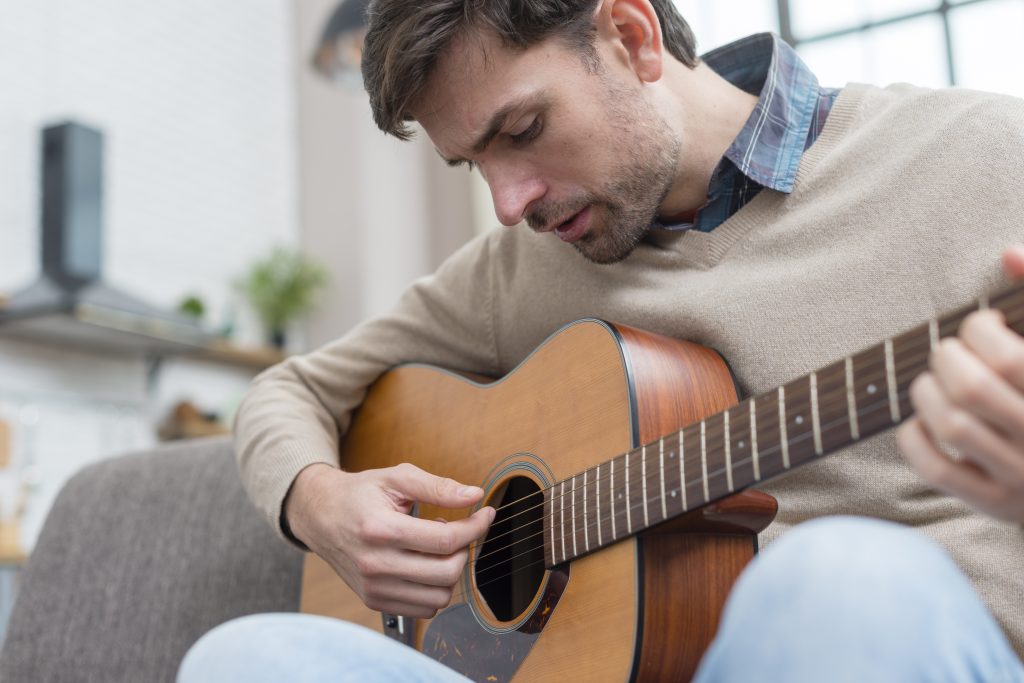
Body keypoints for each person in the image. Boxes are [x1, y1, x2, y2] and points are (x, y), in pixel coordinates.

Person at [179, 0, 1024, 680]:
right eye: (473, 163)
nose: (510, 204)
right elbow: (289, 391)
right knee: (243, 658)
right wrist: (318, 500)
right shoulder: (522, 267)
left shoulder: (985, 159)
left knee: (839, 580)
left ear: (629, 36)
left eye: (521, 129)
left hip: (900, 640)